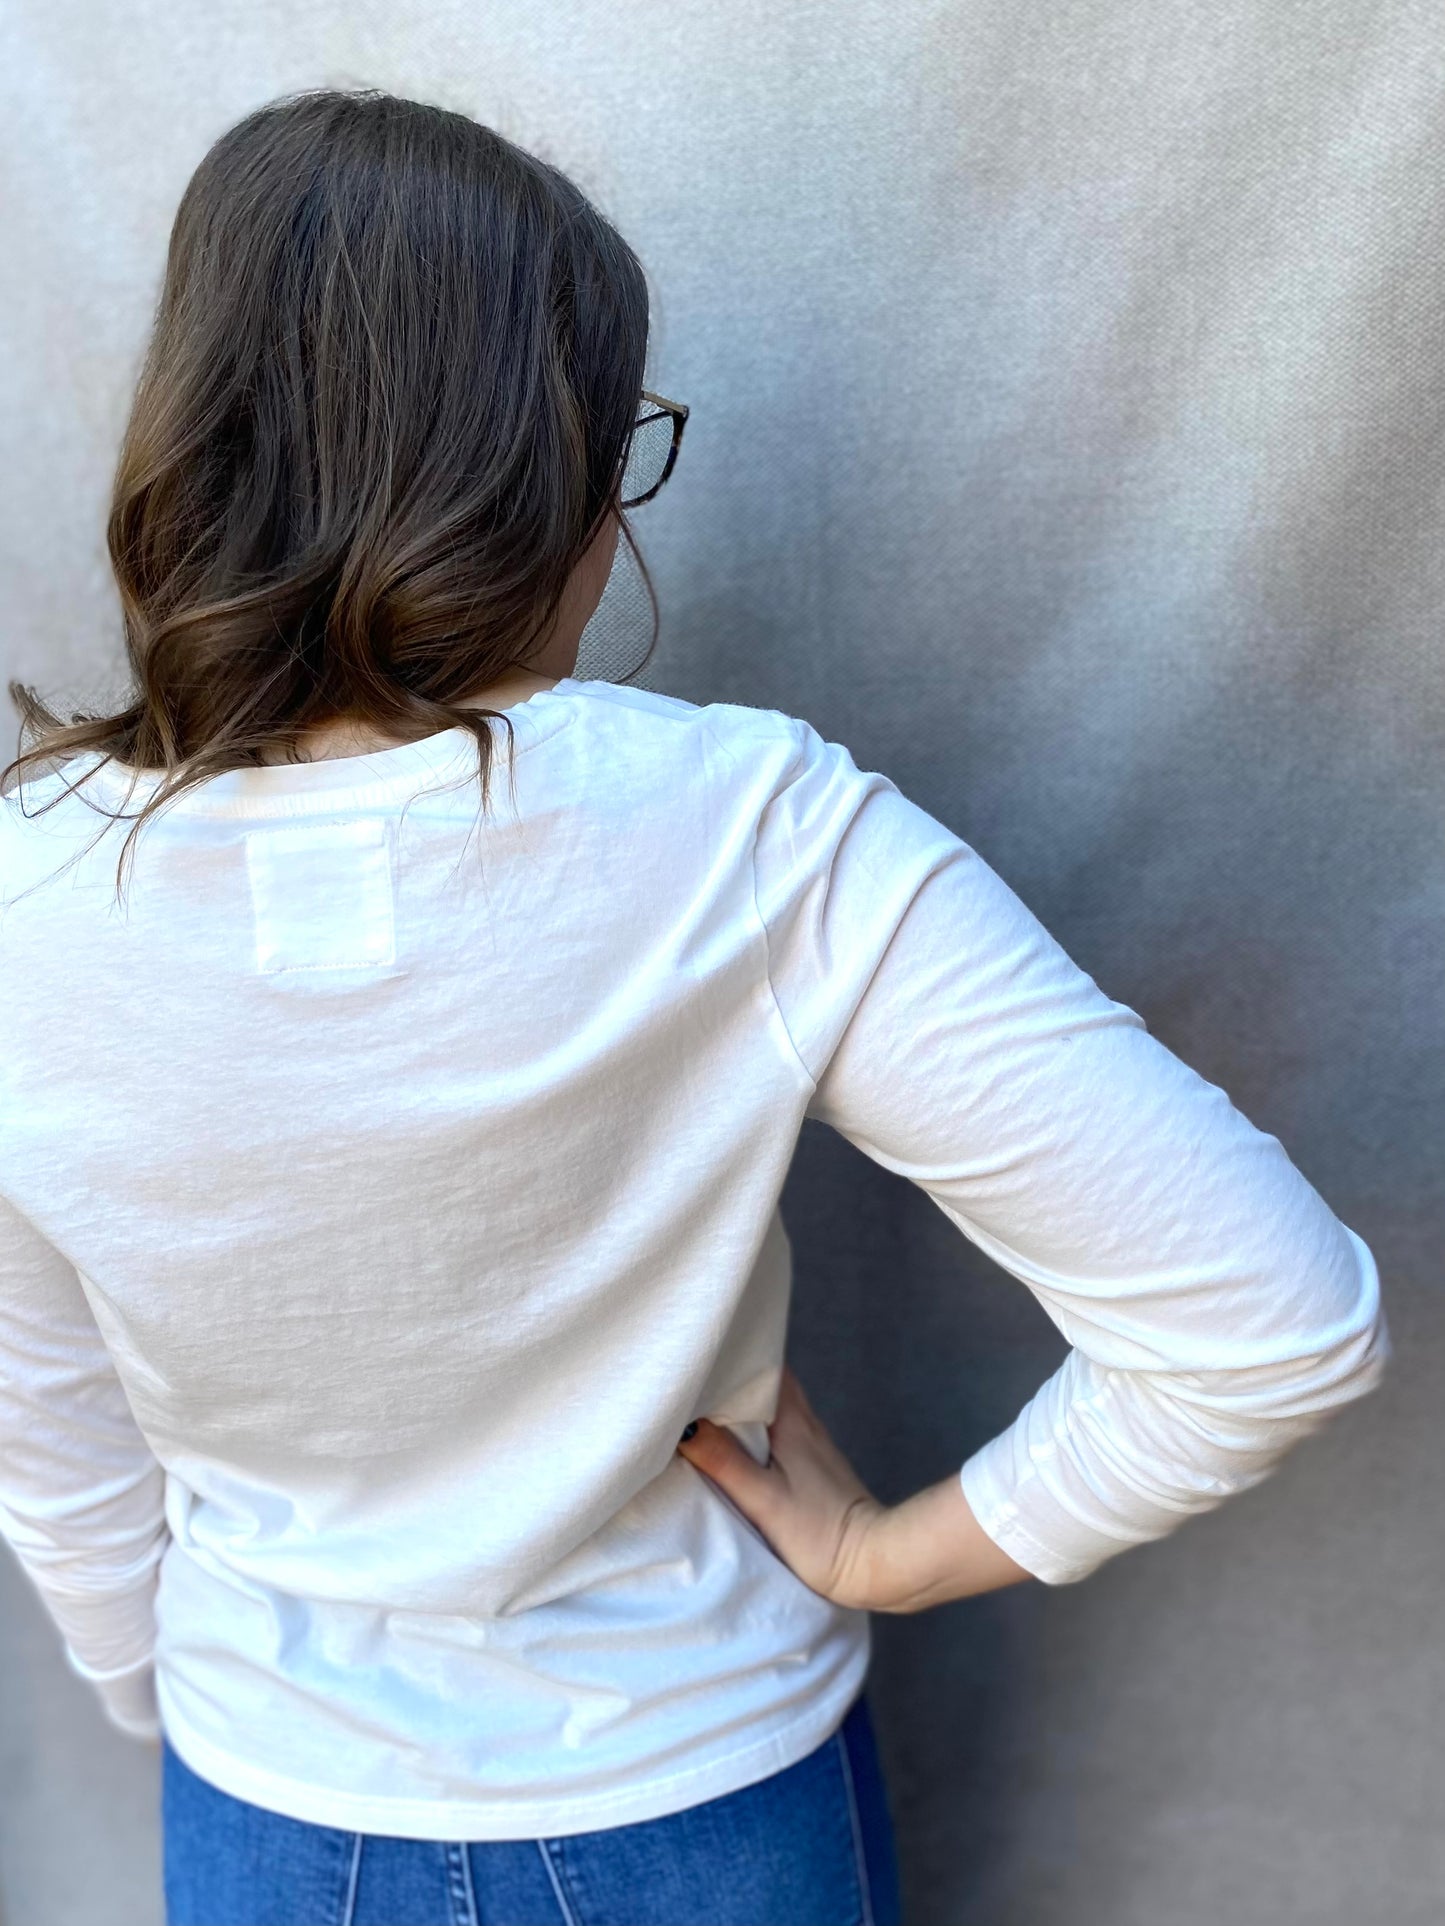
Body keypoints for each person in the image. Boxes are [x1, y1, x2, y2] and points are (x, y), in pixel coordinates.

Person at [0, 85, 1388, 1926]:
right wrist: (889, 1554)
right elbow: (1272, 1318)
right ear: (523, 473)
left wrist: (185, 1697)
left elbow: (59, 1436)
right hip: (703, 1799)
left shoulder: (21, 890)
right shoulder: (751, 831)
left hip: (270, 1811)